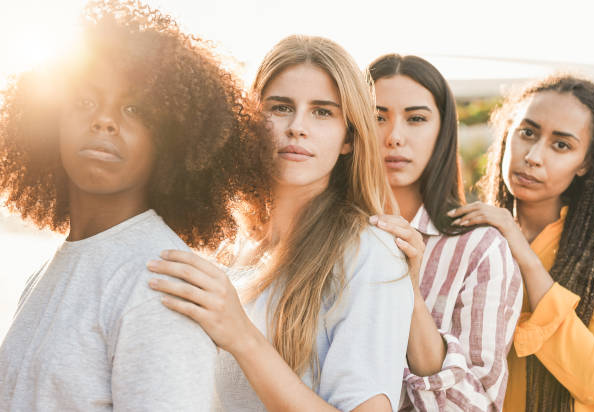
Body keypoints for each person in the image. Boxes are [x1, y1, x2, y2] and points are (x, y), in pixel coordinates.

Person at [0, 1, 273, 410]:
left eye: (133, 109)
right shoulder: (48, 271)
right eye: (84, 101)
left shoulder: (161, 285)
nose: (104, 121)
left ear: (172, 138)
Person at [147, 35, 413, 412]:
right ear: (250, 119)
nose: (297, 127)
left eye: (322, 112)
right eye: (280, 107)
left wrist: (243, 337)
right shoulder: (223, 245)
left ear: (348, 138)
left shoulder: (369, 252)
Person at [366, 54, 523, 411]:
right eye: (378, 117)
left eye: (416, 118)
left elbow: (476, 405)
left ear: (442, 130)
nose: (395, 137)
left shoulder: (480, 249)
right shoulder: (328, 231)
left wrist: (407, 290)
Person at [451, 75, 594, 411]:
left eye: (561, 145)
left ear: (584, 164)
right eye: (528, 133)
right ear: (508, 133)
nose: (534, 156)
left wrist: (524, 254)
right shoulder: (472, 234)